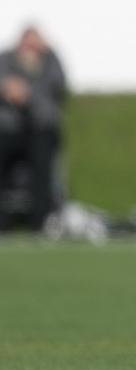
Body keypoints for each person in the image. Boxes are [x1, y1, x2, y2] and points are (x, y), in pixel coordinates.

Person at [0, 25, 67, 231]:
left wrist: (28, 92)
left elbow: (58, 87)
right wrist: (7, 88)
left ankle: (40, 220)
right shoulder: (6, 59)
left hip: (41, 129)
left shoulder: (50, 60)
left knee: (42, 160)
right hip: (9, 129)